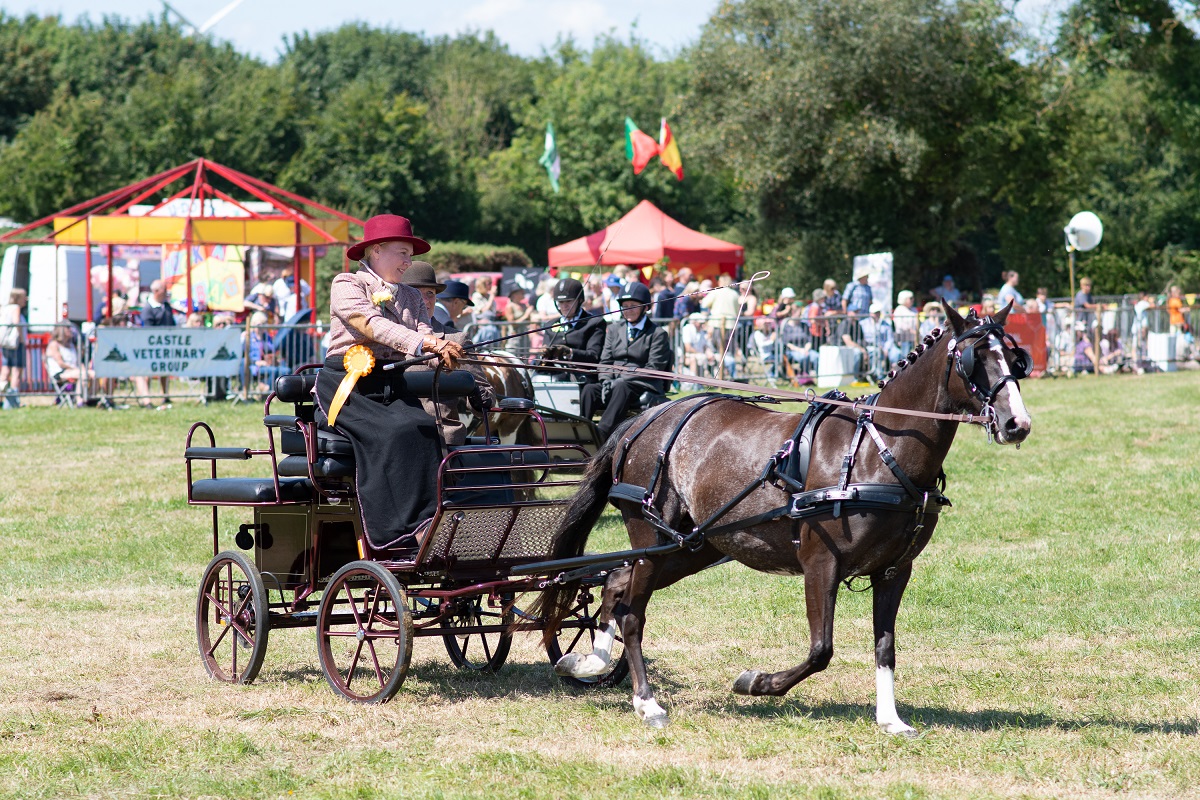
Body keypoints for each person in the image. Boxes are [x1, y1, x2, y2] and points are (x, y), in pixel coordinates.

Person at [318, 213, 464, 550]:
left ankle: (431, 519)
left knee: (426, 428)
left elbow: (424, 332)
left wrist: (442, 349)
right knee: (395, 433)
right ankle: (394, 533)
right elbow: (371, 325)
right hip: (348, 385)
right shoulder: (347, 284)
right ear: (376, 250)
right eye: (402, 253)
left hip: (392, 384)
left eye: (410, 255)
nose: (408, 261)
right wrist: (427, 344)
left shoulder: (411, 297)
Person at [402, 262, 490, 446]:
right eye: (416, 293)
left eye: (430, 294)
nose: (425, 301)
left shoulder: (455, 339)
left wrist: (475, 392)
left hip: (441, 436)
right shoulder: (384, 338)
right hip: (396, 434)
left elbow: (485, 398)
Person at [580, 282, 672, 442]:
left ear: (645, 308)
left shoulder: (657, 334)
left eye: (633, 306)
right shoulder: (614, 330)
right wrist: (606, 380)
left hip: (642, 383)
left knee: (622, 386)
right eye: (625, 306)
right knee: (590, 389)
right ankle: (582, 431)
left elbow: (653, 367)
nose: (628, 310)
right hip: (615, 382)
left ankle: (601, 434)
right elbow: (605, 361)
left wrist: (621, 380)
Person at [538, 278, 607, 385]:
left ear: (579, 300)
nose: (565, 306)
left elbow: (594, 356)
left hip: (584, 377)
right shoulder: (550, 325)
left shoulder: (594, 323)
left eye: (569, 301)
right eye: (561, 302)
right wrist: (544, 356)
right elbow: (543, 362)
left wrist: (570, 353)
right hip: (554, 376)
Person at [141, 279, 176, 408]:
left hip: (166, 346)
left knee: (165, 371)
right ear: (156, 291)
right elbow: (148, 329)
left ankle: (165, 395)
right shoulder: (148, 309)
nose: (166, 292)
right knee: (147, 372)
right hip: (151, 346)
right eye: (164, 290)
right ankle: (147, 399)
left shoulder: (166, 306)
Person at [244, 311, 289, 393]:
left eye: (263, 324)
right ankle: (268, 390)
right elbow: (245, 355)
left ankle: (269, 389)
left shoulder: (267, 337)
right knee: (274, 370)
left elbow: (272, 349)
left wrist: (274, 358)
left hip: (269, 364)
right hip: (255, 366)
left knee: (286, 370)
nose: (261, 327)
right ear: (253, 324)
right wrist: (256, 362)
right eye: (259, 324)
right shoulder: (248, 337)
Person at [0, 288, 28, 395]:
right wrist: (22, 339)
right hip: (16, 343)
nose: (25, 299)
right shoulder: (16, 308)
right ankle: (13, 398)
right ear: (18, 298)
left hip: (6, 343)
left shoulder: (5, 308)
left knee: (5, 369)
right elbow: (17, 323)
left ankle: (2, 397)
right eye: (24, 297)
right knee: (17, 370)